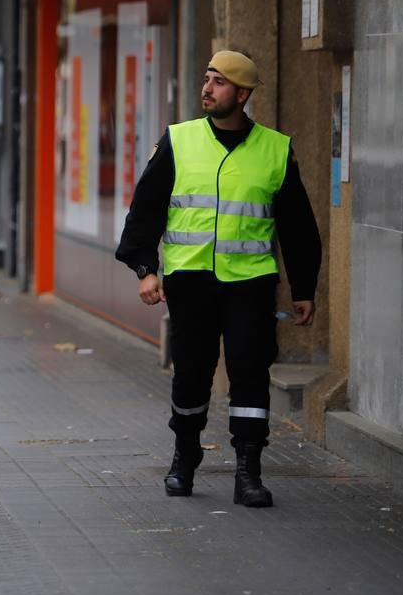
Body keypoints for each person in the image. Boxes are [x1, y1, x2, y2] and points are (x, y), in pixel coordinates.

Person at [116, 50, 321, 508]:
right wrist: (146, 270)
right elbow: (146, 208)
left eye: (219, 82)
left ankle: (249, 471)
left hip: (250, 284)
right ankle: (184, 458)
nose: (207, 88)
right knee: (192, 374)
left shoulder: (275, 148)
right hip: (190, 282)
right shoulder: (179, 140)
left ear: (242, 94)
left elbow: (299, 227)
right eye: (207, 78)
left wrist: (304, 289)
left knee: (250, 374)